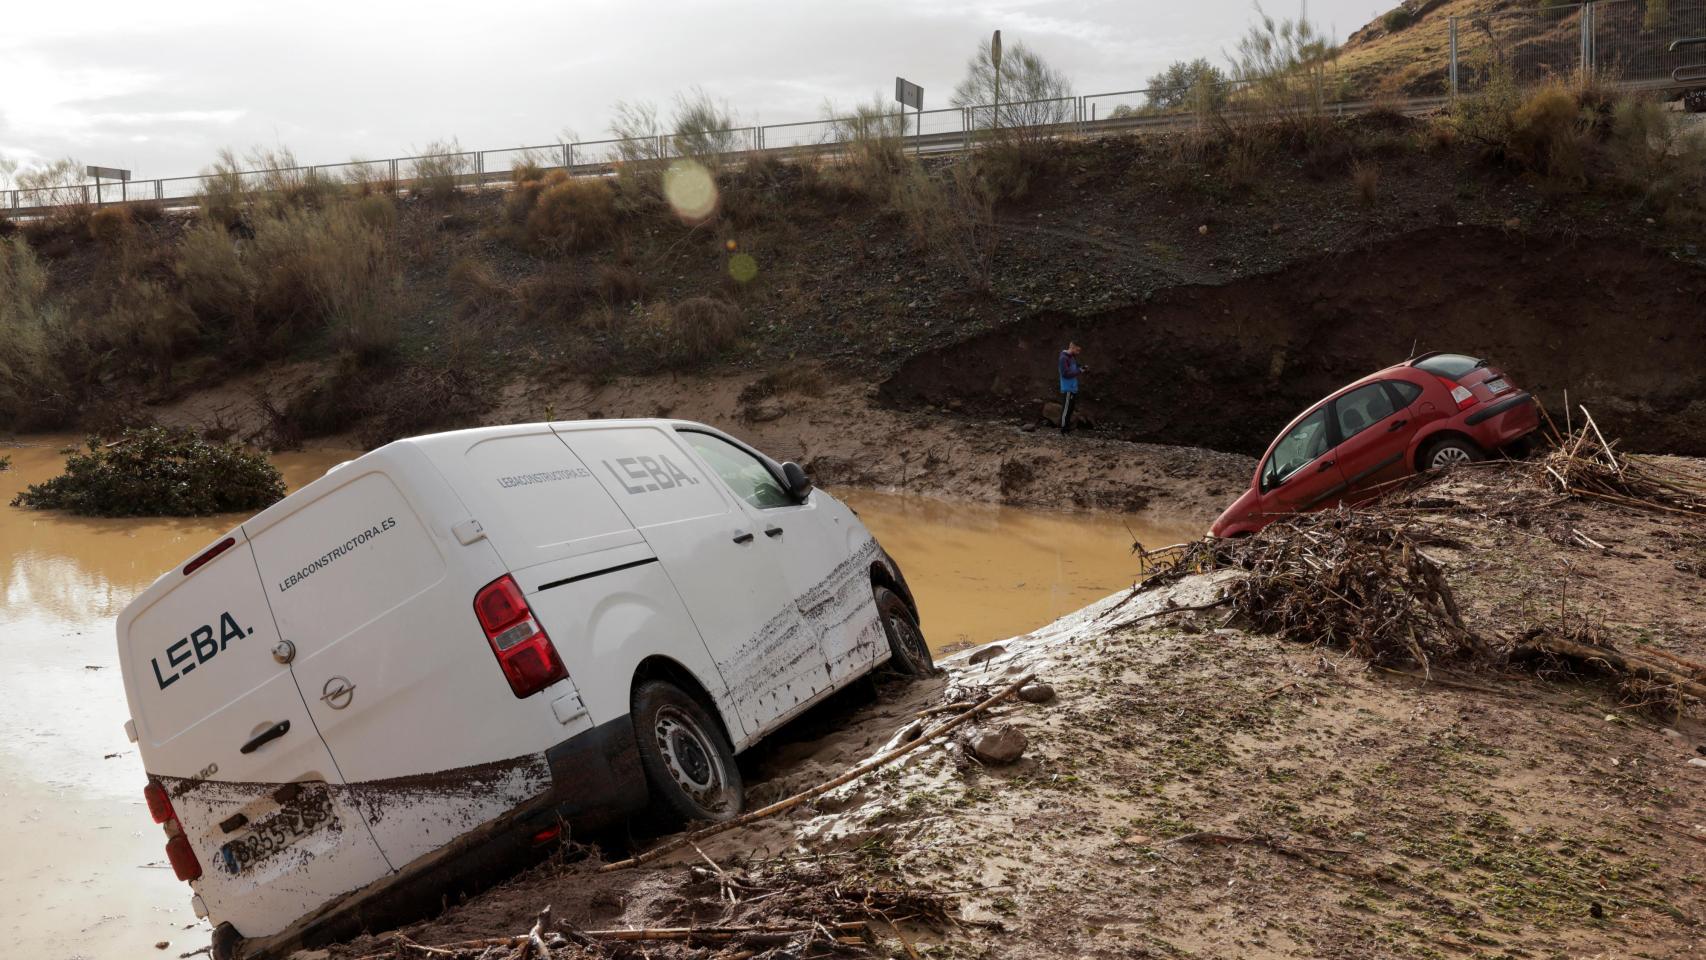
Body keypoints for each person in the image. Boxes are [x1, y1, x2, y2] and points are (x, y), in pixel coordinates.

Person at [1057, 341, 1086, 434]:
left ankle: (1067, 428)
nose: (1078, 352)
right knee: (1066, 409)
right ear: (1072, 347)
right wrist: (1080, 371)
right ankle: (1063, 429)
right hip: (1067, 387)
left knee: (1070, 409)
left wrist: (1081, 367)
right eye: (1077, 350)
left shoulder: (1072, 358)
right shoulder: (1063, 358)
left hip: (1073, 387)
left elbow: (1073, 368)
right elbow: (1065, 373)